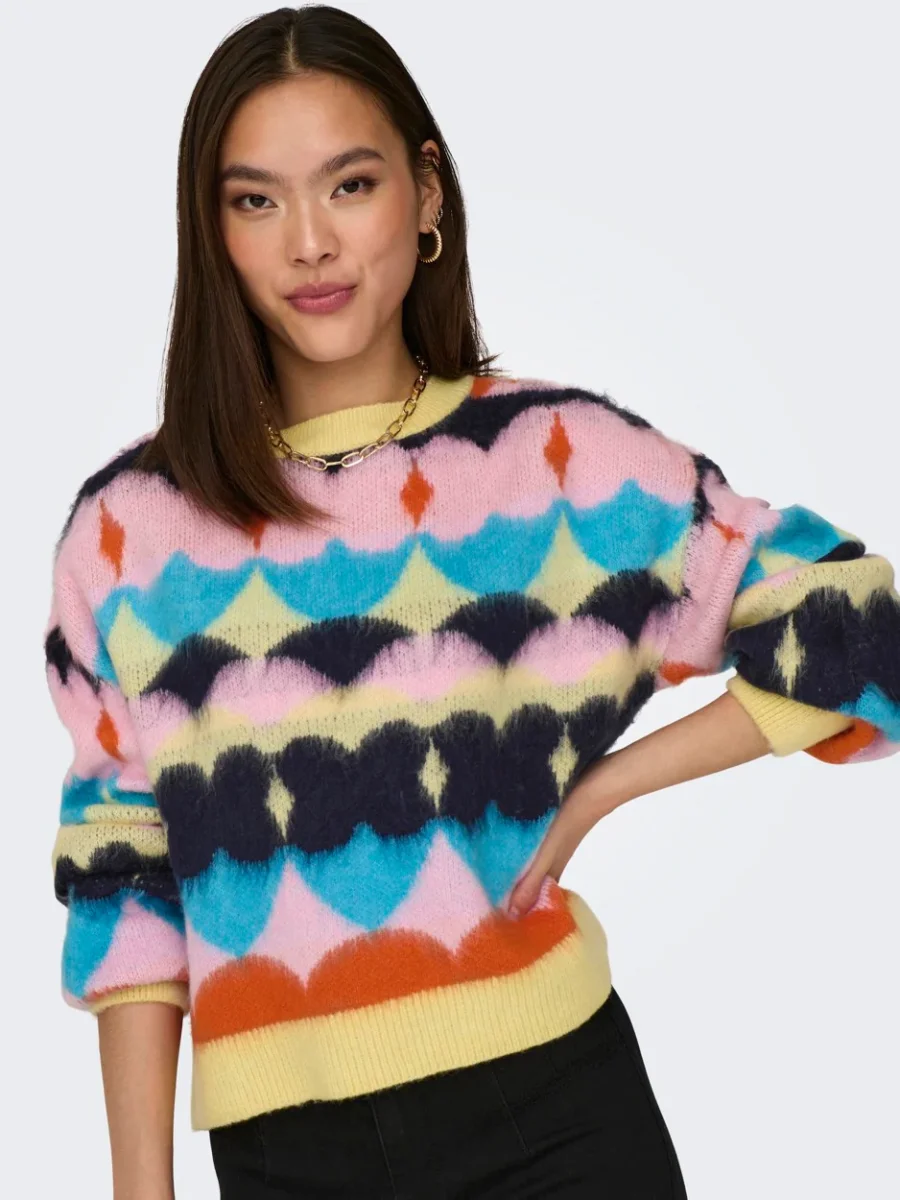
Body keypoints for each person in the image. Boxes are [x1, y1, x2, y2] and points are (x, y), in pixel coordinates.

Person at [42, 5, 899, 1199]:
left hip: (554, 1118)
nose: (309, 243)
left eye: (350, 185)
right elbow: (126, 866)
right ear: (212, 231)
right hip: (286, 1159)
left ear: (426, 193)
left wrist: (604, 787)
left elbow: (857, 624)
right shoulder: (128, 528)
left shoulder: (560, 463)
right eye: (255, 201)